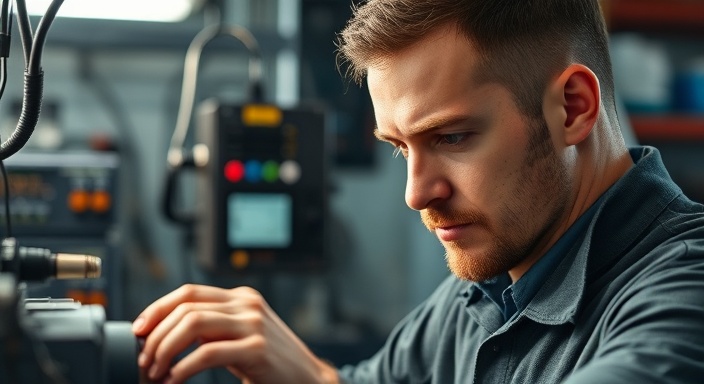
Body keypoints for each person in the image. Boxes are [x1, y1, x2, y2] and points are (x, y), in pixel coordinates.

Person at [132, 0, 704, 383]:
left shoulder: (681, 293)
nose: (416, 193)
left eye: (451, 137)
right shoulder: (488, 288)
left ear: (573, 108)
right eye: (400, 147)